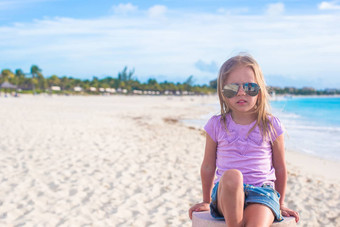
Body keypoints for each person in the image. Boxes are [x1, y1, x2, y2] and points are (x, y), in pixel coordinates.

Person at [189, 54, 299, 226]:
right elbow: (208, 165)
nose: (241, 92)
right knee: (233, 176)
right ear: (223, 93)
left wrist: (281, 202)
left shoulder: (271, 125)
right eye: (232, 88)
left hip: (262, 193)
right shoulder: (216, 125)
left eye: (249, 87)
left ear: (260, 91)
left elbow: (280, 167)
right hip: (226, 193)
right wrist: (205, 199)